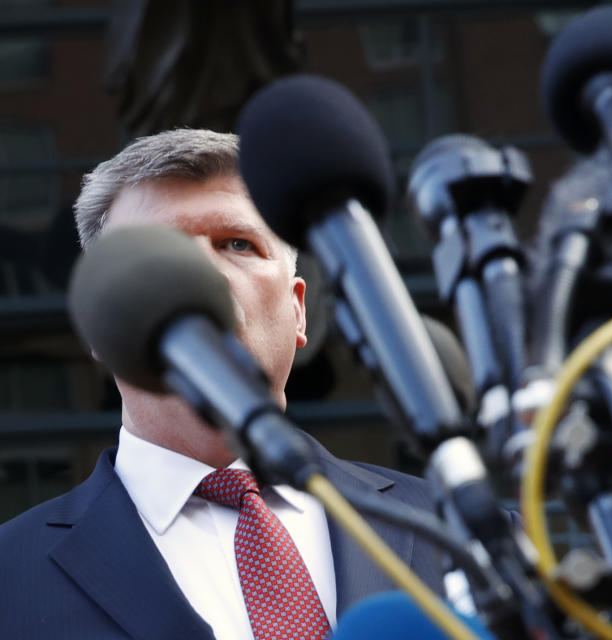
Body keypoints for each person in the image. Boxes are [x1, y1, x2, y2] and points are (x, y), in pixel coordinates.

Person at [0, 129, 443, 640]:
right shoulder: (10, 577)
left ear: (298, 311)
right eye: (159, 250)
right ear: (100, 322)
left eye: (238, 243)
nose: (200, 274)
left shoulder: (464, 538)